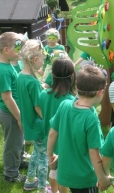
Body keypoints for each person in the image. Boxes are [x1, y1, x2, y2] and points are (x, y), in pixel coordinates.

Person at [47, 65, 111, 193]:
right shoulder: (90, 118)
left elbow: (52, 133)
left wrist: (50, 156)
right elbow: (94, 153)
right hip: (85, 179)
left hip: (66, 172)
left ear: (76, 86)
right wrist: (102, 178)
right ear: (100, 92)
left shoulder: (64, 105)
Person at [16, 40, 51, 192]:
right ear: (35, 60)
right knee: (44, 157)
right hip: (38, 125)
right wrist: (49, 121)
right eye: (43, 59)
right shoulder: (33, 82)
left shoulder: (20, 77)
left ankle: (30, 181)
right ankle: (42, 188)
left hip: (29, 123)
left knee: (36, 152)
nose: (43, 63)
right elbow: (38, 107)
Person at [39, 57, 76, 193]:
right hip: (64, 144)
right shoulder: (72, 101)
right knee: (63, 175)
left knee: (53, 169)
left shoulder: (43, 94)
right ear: (72, 76)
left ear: (52, 75)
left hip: (49, 140)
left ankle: (54, 191)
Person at [0, 32, 26, 183]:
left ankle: (19, 161)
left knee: (18, 140)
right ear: (6, 50)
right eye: (18, 49)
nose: (20, 53)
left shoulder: (8, 65)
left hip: (13, 112)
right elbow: (7, 98)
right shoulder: (2, 70)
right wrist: (19, 118)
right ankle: (10, 174)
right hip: (10, 113)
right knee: (13, 143)